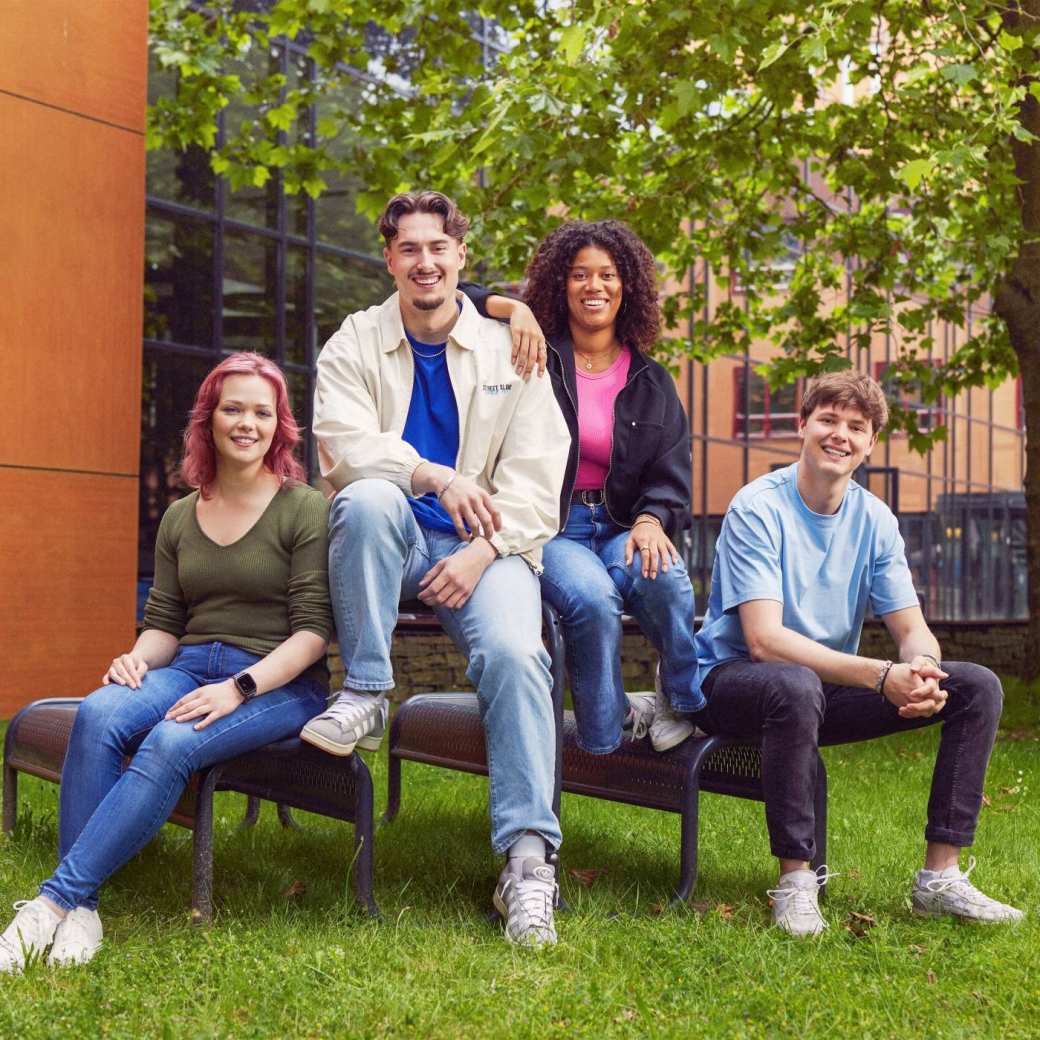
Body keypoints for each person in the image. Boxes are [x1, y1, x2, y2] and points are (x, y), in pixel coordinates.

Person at [0, 353, 333, 973]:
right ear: (208, 420)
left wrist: (238, 687)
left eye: (262, 412)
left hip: (278, 682)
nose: (247, 423)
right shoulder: (182, 515)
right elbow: (164, 624)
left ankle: (51, 903)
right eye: (233, 409)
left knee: (169, 742)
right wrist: (135, 657)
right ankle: (85, 911)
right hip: (186, 663)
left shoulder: (303, 508)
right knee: (100, 712)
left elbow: (314, 632)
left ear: (280, 424)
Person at [307, 190, 569, 946]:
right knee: (364, 501)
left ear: (460, 256)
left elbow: (536, 478)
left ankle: (526, 864)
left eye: (437, 248)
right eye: (408, 249)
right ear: (389, 260)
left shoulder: (510, 349)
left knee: (520, 657)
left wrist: (484, 549)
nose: (424, 262)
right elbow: (341, 444)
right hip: (395, 531)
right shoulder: (354, 342)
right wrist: (434, 475)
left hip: (489, 545)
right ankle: (365, 689)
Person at [692, 371, 1024, 935]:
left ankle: (940, 879)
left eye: (856, 426)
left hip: (818, 692)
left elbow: (912, 627)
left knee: (976, 686)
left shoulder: (875, 519)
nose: (839, 435)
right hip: (730, 683)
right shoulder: (758, 507)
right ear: (802, 425)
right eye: (827, 420)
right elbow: (763, 640)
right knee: (793, 683)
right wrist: (880, 675)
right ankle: (796, 883)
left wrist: (921, 668)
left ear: (870, 443)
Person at [461, 219, 703, 756]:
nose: (594, 286)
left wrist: (651, 520)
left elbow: (671, 473)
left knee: (663, 575)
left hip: (620, 523)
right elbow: (455, 294)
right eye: (579, 275)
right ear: (559, 285)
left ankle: (681, 699)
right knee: (591, 598)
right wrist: (513, 307)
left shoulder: (651, 380)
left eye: (607, 275)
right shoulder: (532, 355)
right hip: (553, 526)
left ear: (628, 287)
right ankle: (607, 729)